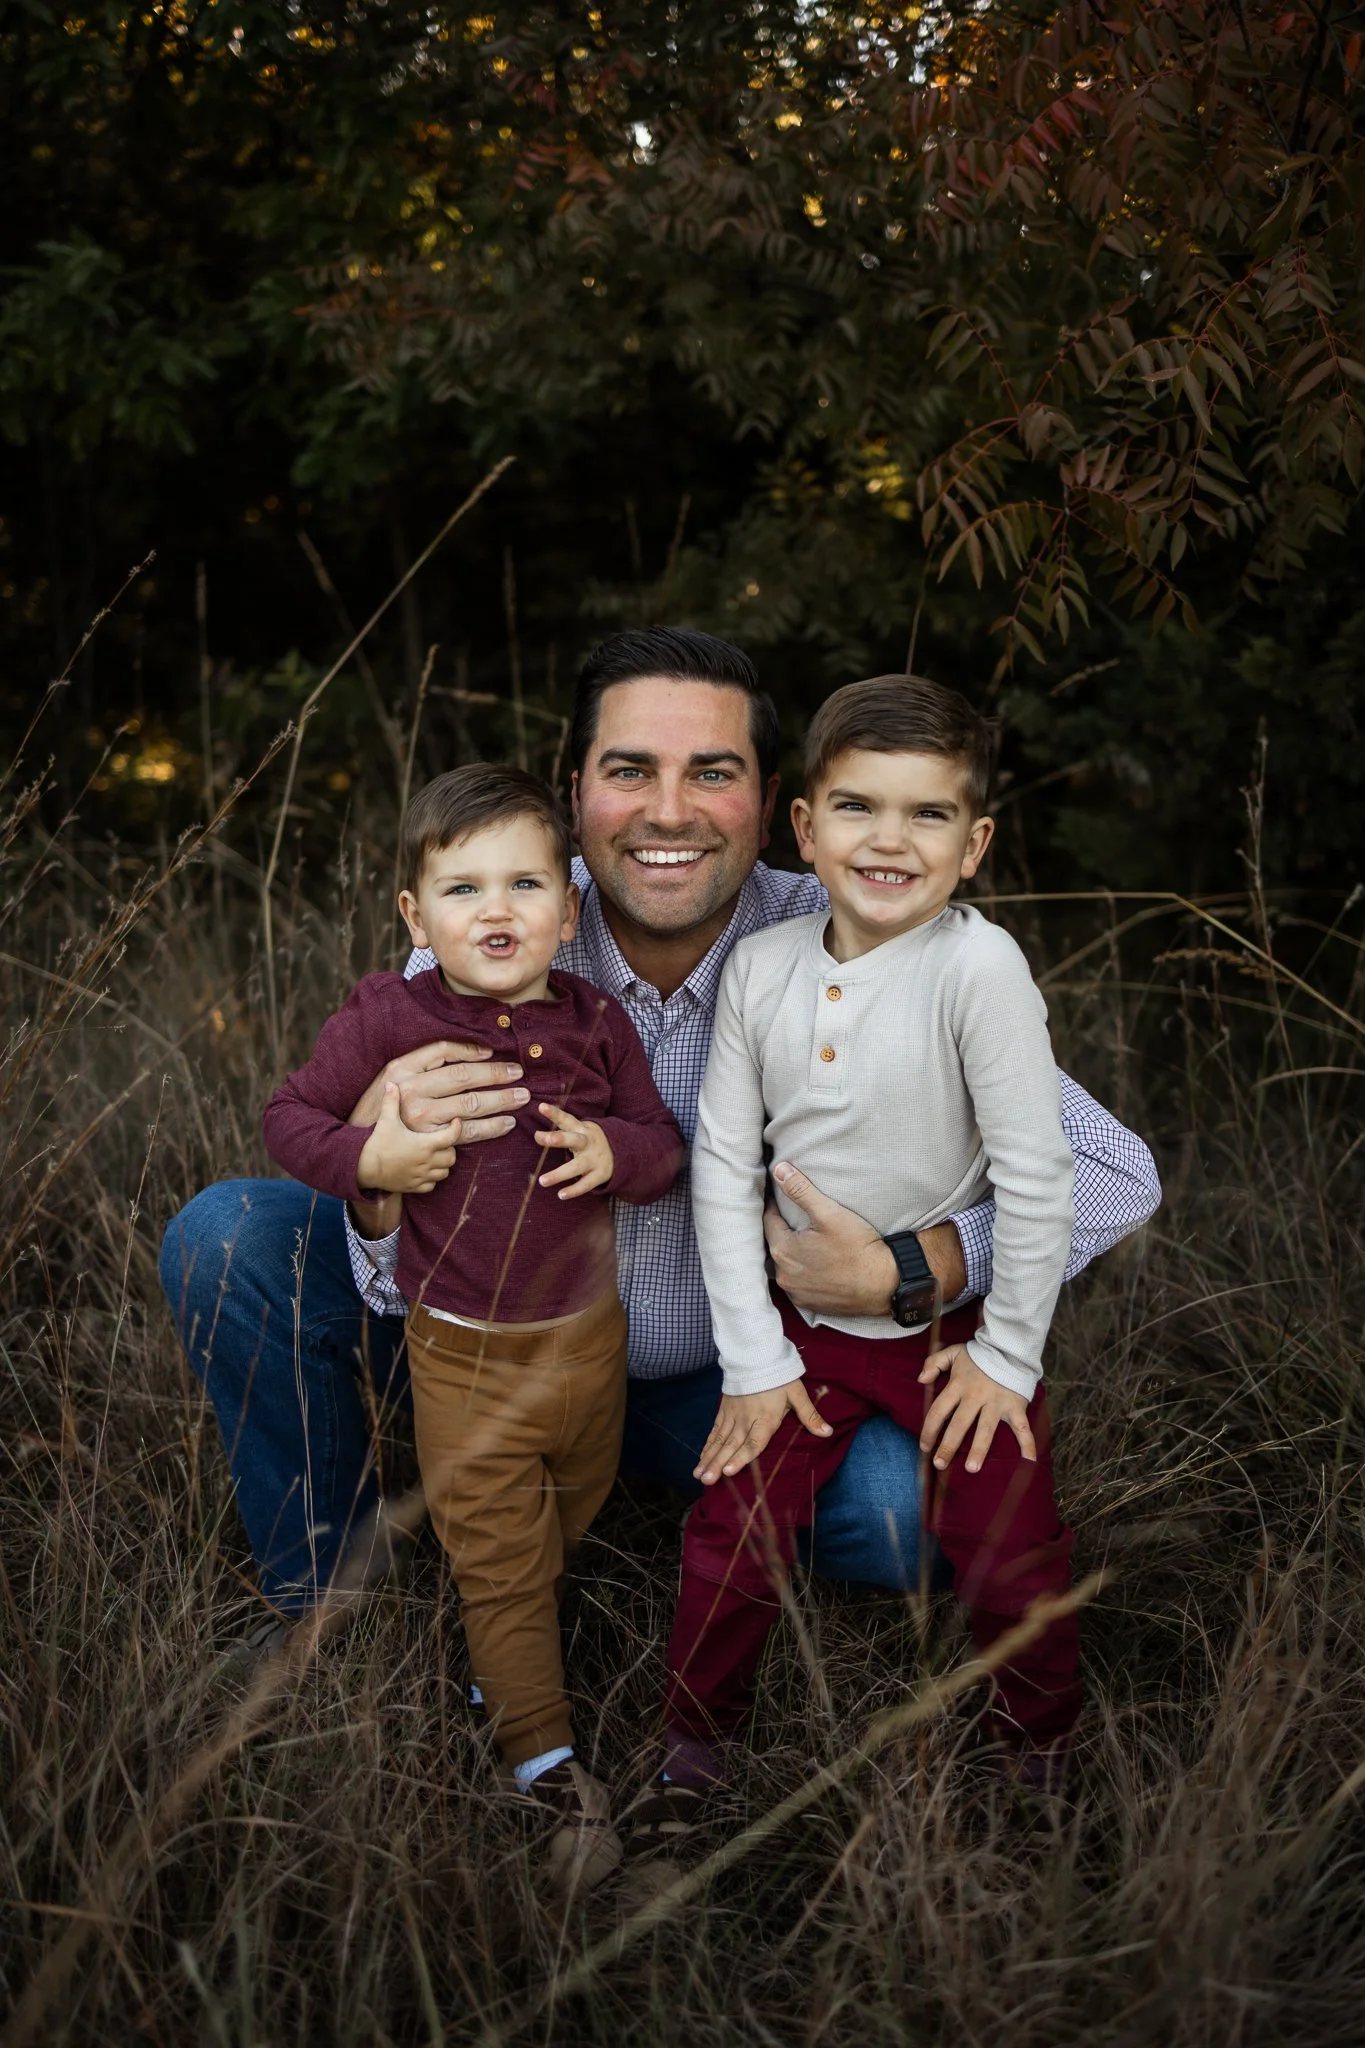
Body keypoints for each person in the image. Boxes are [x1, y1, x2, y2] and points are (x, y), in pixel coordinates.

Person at [159, 627, 1160, 1657]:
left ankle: (648, 1492)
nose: (669, 810)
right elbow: (368, 1203)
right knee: (228, 1238)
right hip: (482, 1342)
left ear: (772, 810)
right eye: (630, 770)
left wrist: (912, 1265)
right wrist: (377, 1191)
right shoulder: (503, 912)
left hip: (730, 1375)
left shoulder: (855, 937)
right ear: (576, 794)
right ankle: (319, 1604)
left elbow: (1115, 1170)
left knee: (902, 1514)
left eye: (712, 773)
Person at [636, 675, 1088, 1860]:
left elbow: (1040, 1177)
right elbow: (722, 1165)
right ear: (804, 826)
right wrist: (752, 1358)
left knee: (1008, 1543)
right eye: (858, 807)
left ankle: (1039, 1755)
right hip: (800, 1336)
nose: (891, 839)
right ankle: (694, 1746)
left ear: (974, 844)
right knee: (734, 1523)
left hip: (952, 1337)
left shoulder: (978, 970)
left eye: (928, 813)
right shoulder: (762, 966)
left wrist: (1008, 1354)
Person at [261, 764, 682, 1886]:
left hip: (590, 1345)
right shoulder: (389, 1014)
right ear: (415, 915)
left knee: (565, 1514)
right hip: (463, 1350)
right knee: (500, 1554)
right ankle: (543, 1757)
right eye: (463, 888)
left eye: (525, 884)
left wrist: (615, 1152)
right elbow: (289, 1115)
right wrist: (374, 1159)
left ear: (570, 910)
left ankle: (500, 1650)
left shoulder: (596, 1022)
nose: (496, 910)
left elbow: (660, 1144)